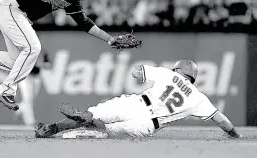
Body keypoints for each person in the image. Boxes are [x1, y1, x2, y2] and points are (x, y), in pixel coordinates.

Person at [35, 59, 241, 139]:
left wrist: (139, 70)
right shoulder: (199, 98)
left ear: (178, 69)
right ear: (193, 77)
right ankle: (90, 126)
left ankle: (54, 128)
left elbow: (136, 72)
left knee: (93, 113)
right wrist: (233, 134)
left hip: (137, 103)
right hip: (147, 126)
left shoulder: (168, 74)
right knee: (101, 132)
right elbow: (222, 121)